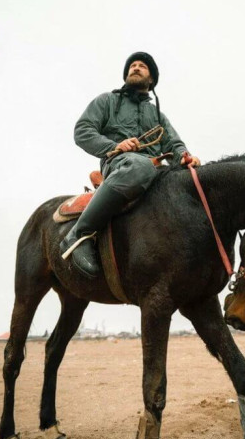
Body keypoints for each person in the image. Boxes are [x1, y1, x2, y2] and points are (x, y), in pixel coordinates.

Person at [60, 52, 201, 278]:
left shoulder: (158, 115)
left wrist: (185, 157)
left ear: (151, 79)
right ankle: (80, 233)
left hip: (157, 171)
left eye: (142, 66)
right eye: (132, 66)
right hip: (120, 164)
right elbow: (82, 131)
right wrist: (114, 146)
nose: (135, 68)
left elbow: (174, 144)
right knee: (140, 165)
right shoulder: (107, 101)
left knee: (195, 181)